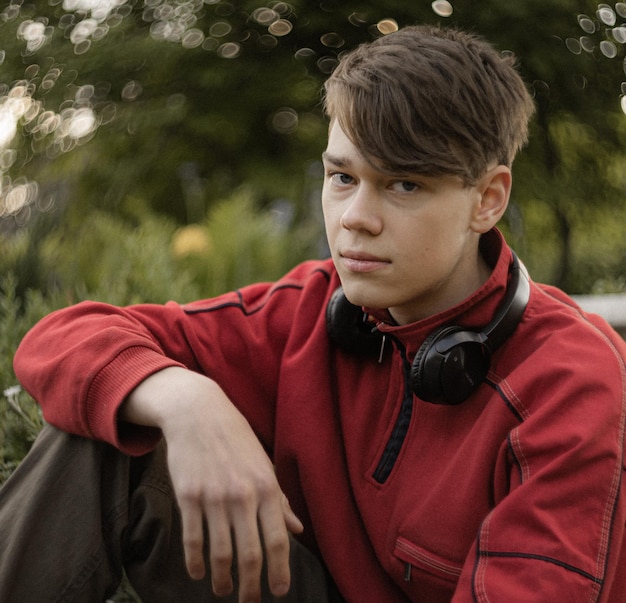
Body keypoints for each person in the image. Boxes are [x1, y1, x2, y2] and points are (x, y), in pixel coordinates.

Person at [1, 24, 625, 603]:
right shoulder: (308, 310)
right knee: (115, 434)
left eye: (403, 185)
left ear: (487, 199)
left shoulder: (571, 381)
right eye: (342, 177)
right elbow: (58, 339)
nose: (355, 217)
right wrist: (185, 401)